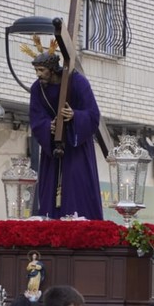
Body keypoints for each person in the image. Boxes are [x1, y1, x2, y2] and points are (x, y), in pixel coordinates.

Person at [28, 48, 103, 220]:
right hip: (53, 150)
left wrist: (75, 116)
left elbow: (93, 114)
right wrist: (49, 126)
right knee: (50, 189)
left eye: (41, 70)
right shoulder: (37, 89)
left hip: (76, 148)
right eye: (36, 70)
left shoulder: (77, 82)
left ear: (52, 69)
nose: (38, 74)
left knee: (77, 186)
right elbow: (36, 118)